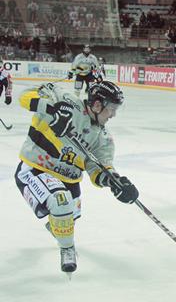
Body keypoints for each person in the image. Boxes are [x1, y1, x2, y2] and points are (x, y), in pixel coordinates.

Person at [14, 80, 138, 275]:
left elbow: (99, 168)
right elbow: (24, 96)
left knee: (65, 220)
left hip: (69, 182)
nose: (113, 114)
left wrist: (114, 181)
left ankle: (57, 226)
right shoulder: (66, 100)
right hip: (36, 169)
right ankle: (67, 248)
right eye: (111, 109)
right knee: (60, 201)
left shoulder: (103, 138)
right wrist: (52, 109)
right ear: (97, 104)